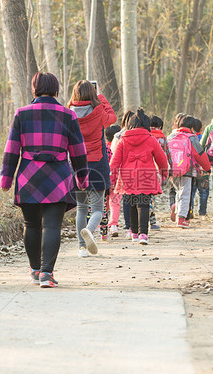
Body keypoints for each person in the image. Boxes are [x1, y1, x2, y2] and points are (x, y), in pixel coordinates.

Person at [0, 72, 88, 288]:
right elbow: (78, 150)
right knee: (52, 226)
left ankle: (35, 270)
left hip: (28, 175)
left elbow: (12, 148)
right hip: (58, 177)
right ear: (56, 90)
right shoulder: (68, 115)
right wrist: (82, 177)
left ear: (34, 89)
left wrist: (6, 178)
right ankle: (47, 275)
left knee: (31, 224)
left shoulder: (22, 114)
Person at [68, 80, 117, 258]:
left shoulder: (69, 113)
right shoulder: (99, 111)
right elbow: (112, 118)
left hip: (76, 164)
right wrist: (101, 98)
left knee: (81, 208)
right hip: (97, 163)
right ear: (93, 93)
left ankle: (82, 248)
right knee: (97, 209)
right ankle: (89, 230)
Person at [110, 108, 169, 245]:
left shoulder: (123, 140)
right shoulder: (151, 139)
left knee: (131, 204)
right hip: (146, 176)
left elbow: (114, 162)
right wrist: (164, 172)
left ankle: (134, 233)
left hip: (127, 177)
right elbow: (162, 159)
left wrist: (112, 179)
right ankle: (143, 234)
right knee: (143, 204)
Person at [168, 115, 211, 228]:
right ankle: (181, 219)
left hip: (172, 169)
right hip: (187, 170)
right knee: (185, 193)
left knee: (178, 192)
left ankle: (177, 211)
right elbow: (200, 154)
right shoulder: (191, 137)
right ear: (192, 127)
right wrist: (207, 168)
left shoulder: (171, 136)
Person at [111, 111, 134, 238]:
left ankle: (128, 227)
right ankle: (134, 227)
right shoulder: (140, 134)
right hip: (136, 171)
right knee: (135, 199)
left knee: (124, 200)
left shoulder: (118, 135)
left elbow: (114, 154)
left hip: (122, 171)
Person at [149, 115, 171, 230]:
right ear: (160, 126)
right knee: (152, 197)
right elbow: (167, 155)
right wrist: (169, 169)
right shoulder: (162, 138)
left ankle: (137, 222)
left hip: (142, 170)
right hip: (156, 172)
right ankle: (152, 222)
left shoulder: (146, 136)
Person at [191, 117, 210, 217]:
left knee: (192, 191)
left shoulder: (189, 138)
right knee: (203, 191)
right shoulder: (205, 138)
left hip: (192, 170)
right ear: (201, 129)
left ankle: (189, 212)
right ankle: (202, 212)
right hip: (204, 169)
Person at [105, 124, 122, 237]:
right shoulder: (119, 147)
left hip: (103, 179)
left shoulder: (103, 147)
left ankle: (102, 226)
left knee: (103, 203)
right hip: (116, 179)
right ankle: (113, 225)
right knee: (115, 202)